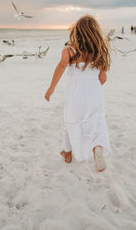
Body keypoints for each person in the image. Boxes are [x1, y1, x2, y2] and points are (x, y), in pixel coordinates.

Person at [44, 15, 111, 172]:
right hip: (94, 94)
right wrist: (93, 82)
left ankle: (68, 153)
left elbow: (61, 67)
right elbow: (103, 78)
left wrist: (51, 88)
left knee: (70, 120)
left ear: (77, 32)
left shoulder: (69, 51)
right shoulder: (99, 52)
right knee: (97, 122)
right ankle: (97, 148)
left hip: (75, 95)